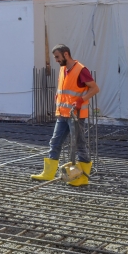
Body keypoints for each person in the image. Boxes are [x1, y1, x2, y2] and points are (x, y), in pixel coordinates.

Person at [31, 44, 100, 186]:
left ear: (66, 54)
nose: (56, 60)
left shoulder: (81, 70)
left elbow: (95, 88)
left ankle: (83, 178)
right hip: (63, 115)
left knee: (80, 145)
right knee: (55, 142)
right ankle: (48, 173)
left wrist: (81, 100)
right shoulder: (63, 69)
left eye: (57, 57)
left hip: (76, 115)